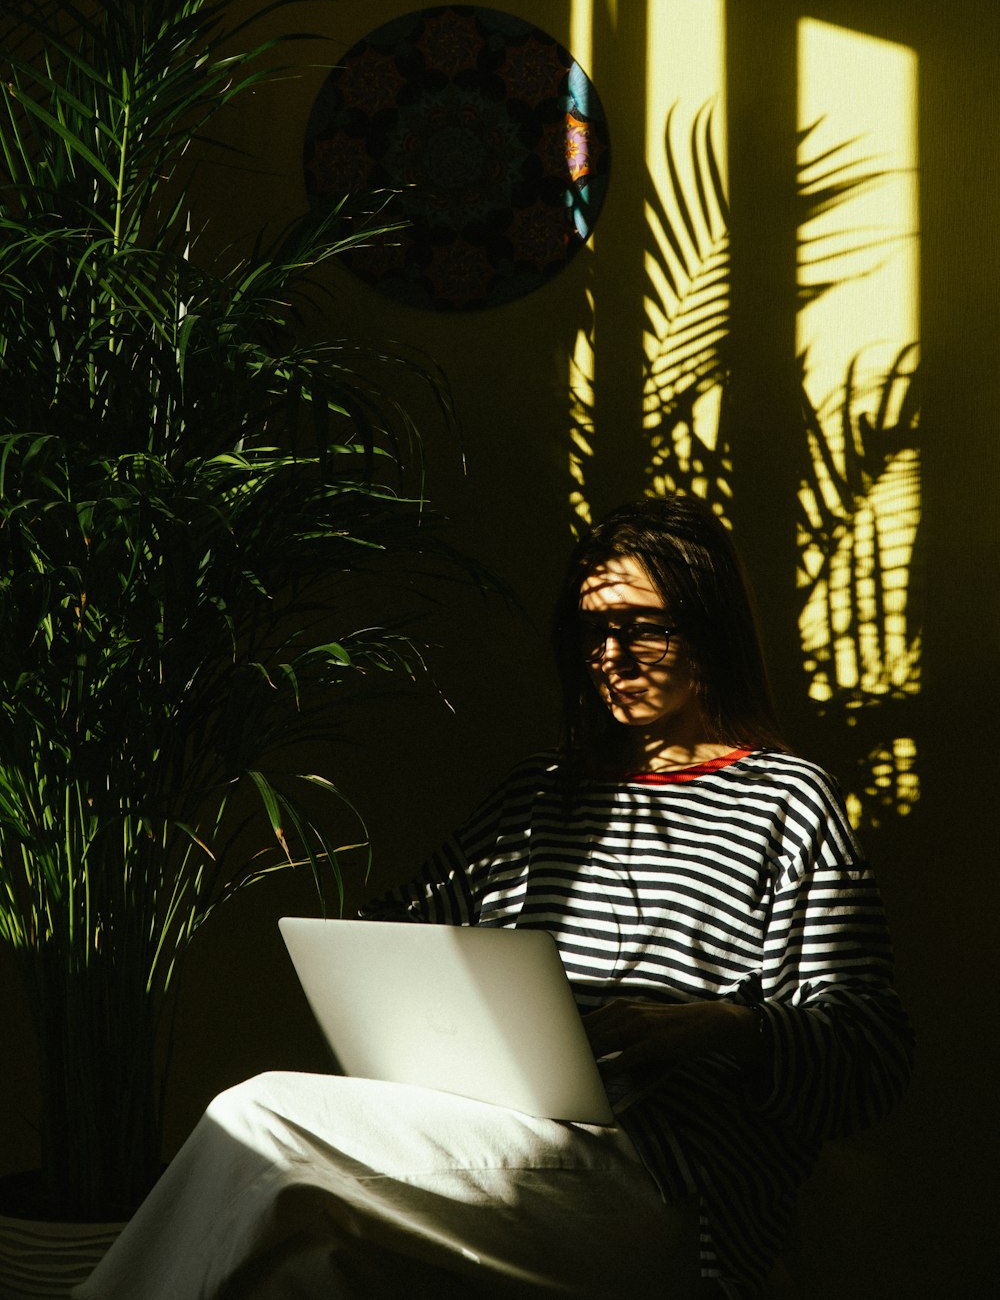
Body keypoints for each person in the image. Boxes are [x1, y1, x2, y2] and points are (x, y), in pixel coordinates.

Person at [76, 494, 913, 1299]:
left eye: (643, 629)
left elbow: (869, 1058)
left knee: (259, 1115)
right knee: (304, 1266)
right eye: (592, 634)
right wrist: (359, 947)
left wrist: (721, 1024)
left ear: (710, 630)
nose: (612, 658)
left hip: (665, 1182)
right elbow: (404, 930)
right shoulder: (537, 796)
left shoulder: (788, 802)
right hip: (494, 1133)